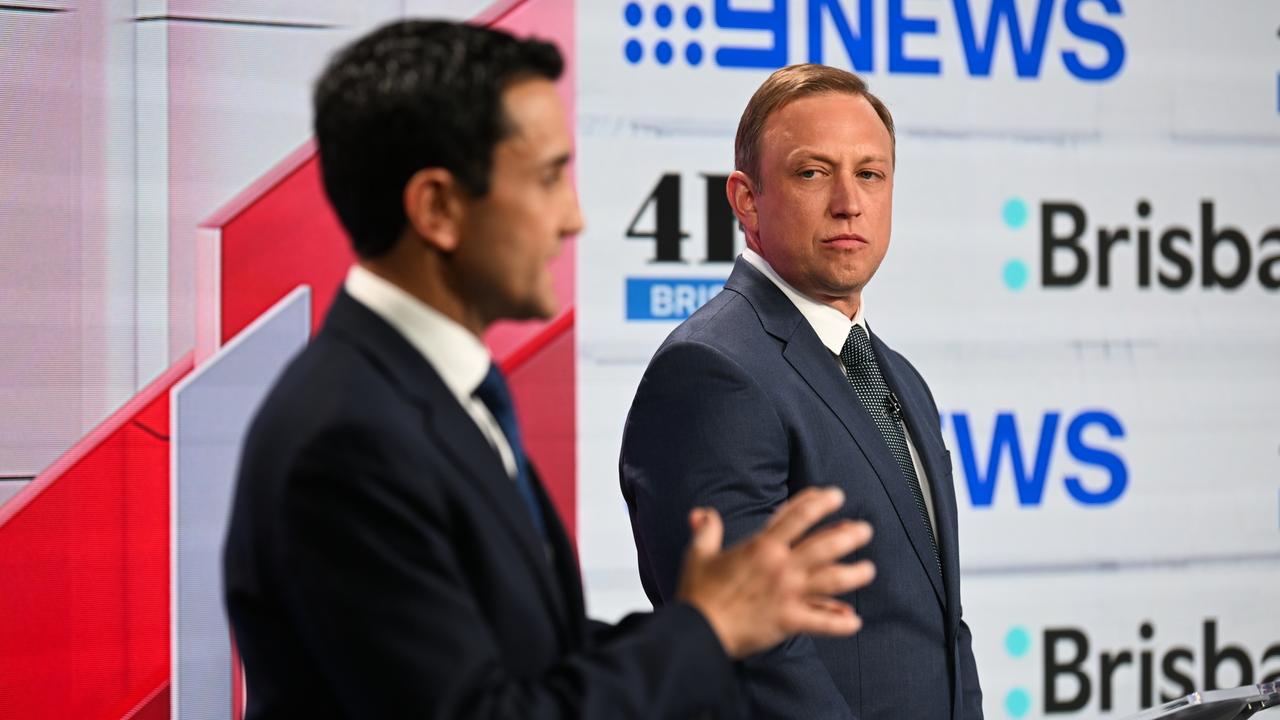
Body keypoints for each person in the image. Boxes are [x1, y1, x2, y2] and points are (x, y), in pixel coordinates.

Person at [222, 22, 877, 719]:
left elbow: (529, 652)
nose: (573, 218)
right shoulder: (351, 438)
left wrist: (716, 617)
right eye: (546, 179)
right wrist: (707, 630)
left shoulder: (434, 398)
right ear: (438, 208)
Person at [620, 64, 984, 719]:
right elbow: (753, 651)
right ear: (746, 200)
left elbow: (942, 626)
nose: (849, 201)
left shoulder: (898, 375)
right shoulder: (711, 371)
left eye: (870, 174)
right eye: (813, 172)